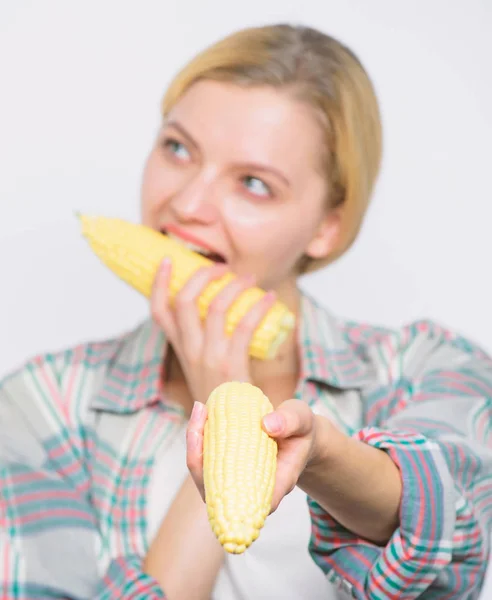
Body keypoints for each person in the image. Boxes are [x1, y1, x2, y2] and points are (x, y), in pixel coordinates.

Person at [0, 22, 491, 600]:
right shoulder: (42, 404)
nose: (186, 204)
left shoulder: (426, 365)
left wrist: (323, 456)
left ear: (328, 226)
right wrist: (225, 404)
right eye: (177, 148)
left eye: (254, 183)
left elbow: (453, 558)